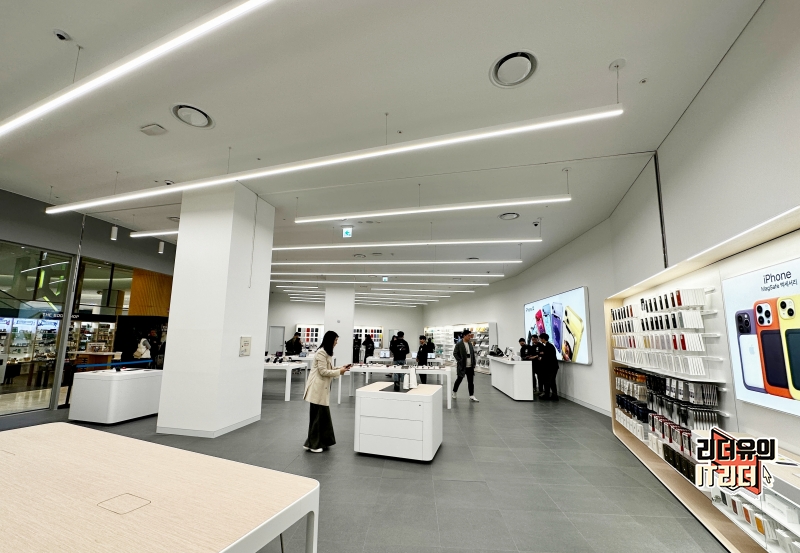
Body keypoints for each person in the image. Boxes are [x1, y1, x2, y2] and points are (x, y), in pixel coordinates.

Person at [302, 331, 351, 452]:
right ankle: (313, 445)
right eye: (335, 340)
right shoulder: (321, 353)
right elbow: (323, 371)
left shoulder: (326, 353)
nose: (336, 342)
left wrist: (341, 368)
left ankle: (317, 442)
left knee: (322, 417)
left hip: (321, 389)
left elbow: (329, 369)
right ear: (330, 340)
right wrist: (339, 371)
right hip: (317, 388)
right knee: (318, 417)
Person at [452, 329, 479, 402]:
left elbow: (472, 354)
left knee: (471, 381)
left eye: (470, 335)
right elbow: (455, 353)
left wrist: (474, 363)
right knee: (459, 380)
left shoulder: (470, 344)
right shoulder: (459, 344)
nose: (470, 337)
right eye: (468, 335)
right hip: (462, 366)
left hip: (470, 366)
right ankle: (454, 392)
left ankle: (471, 395)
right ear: (464, 336)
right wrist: (459, 360)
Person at [538, 332, 559, 401]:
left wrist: (542, 356)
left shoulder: (549, 346)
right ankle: (554, 395)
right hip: (552, 366)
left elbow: (548, 356)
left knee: (548, 381)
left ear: (543, 339)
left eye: (540, 339)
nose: (540, 340)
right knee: (552, 381)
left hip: (551, 367)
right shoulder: (547, 346)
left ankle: (547, 395)